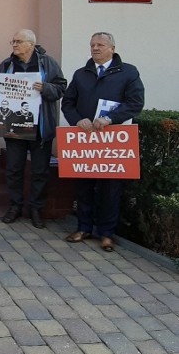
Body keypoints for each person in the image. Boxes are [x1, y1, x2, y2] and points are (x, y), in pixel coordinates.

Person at [61, 32, 144, 252]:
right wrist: (78, 120)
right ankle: (84, 227)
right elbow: (67, 103)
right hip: (85, 140)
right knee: (84, 187)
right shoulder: (81, 74)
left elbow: (135, 103)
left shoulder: (128, 72)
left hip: (112, 141)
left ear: (112, 48)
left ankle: (107, 234)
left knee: (110, 188)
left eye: (100, 44)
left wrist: (110, 118)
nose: (95, 48)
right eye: (92, 45)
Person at [0, 30, 67, 228]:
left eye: (18, 41)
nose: (14, 45)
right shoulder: (7, 65)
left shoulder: (47, 63)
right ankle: (15, 206)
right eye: (13, 41)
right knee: (14, 169)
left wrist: (45, 88)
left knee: (40, 171)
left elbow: (60, 88)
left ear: (31, 44)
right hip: (14, 127)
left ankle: (36, 209)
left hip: (40, 128)